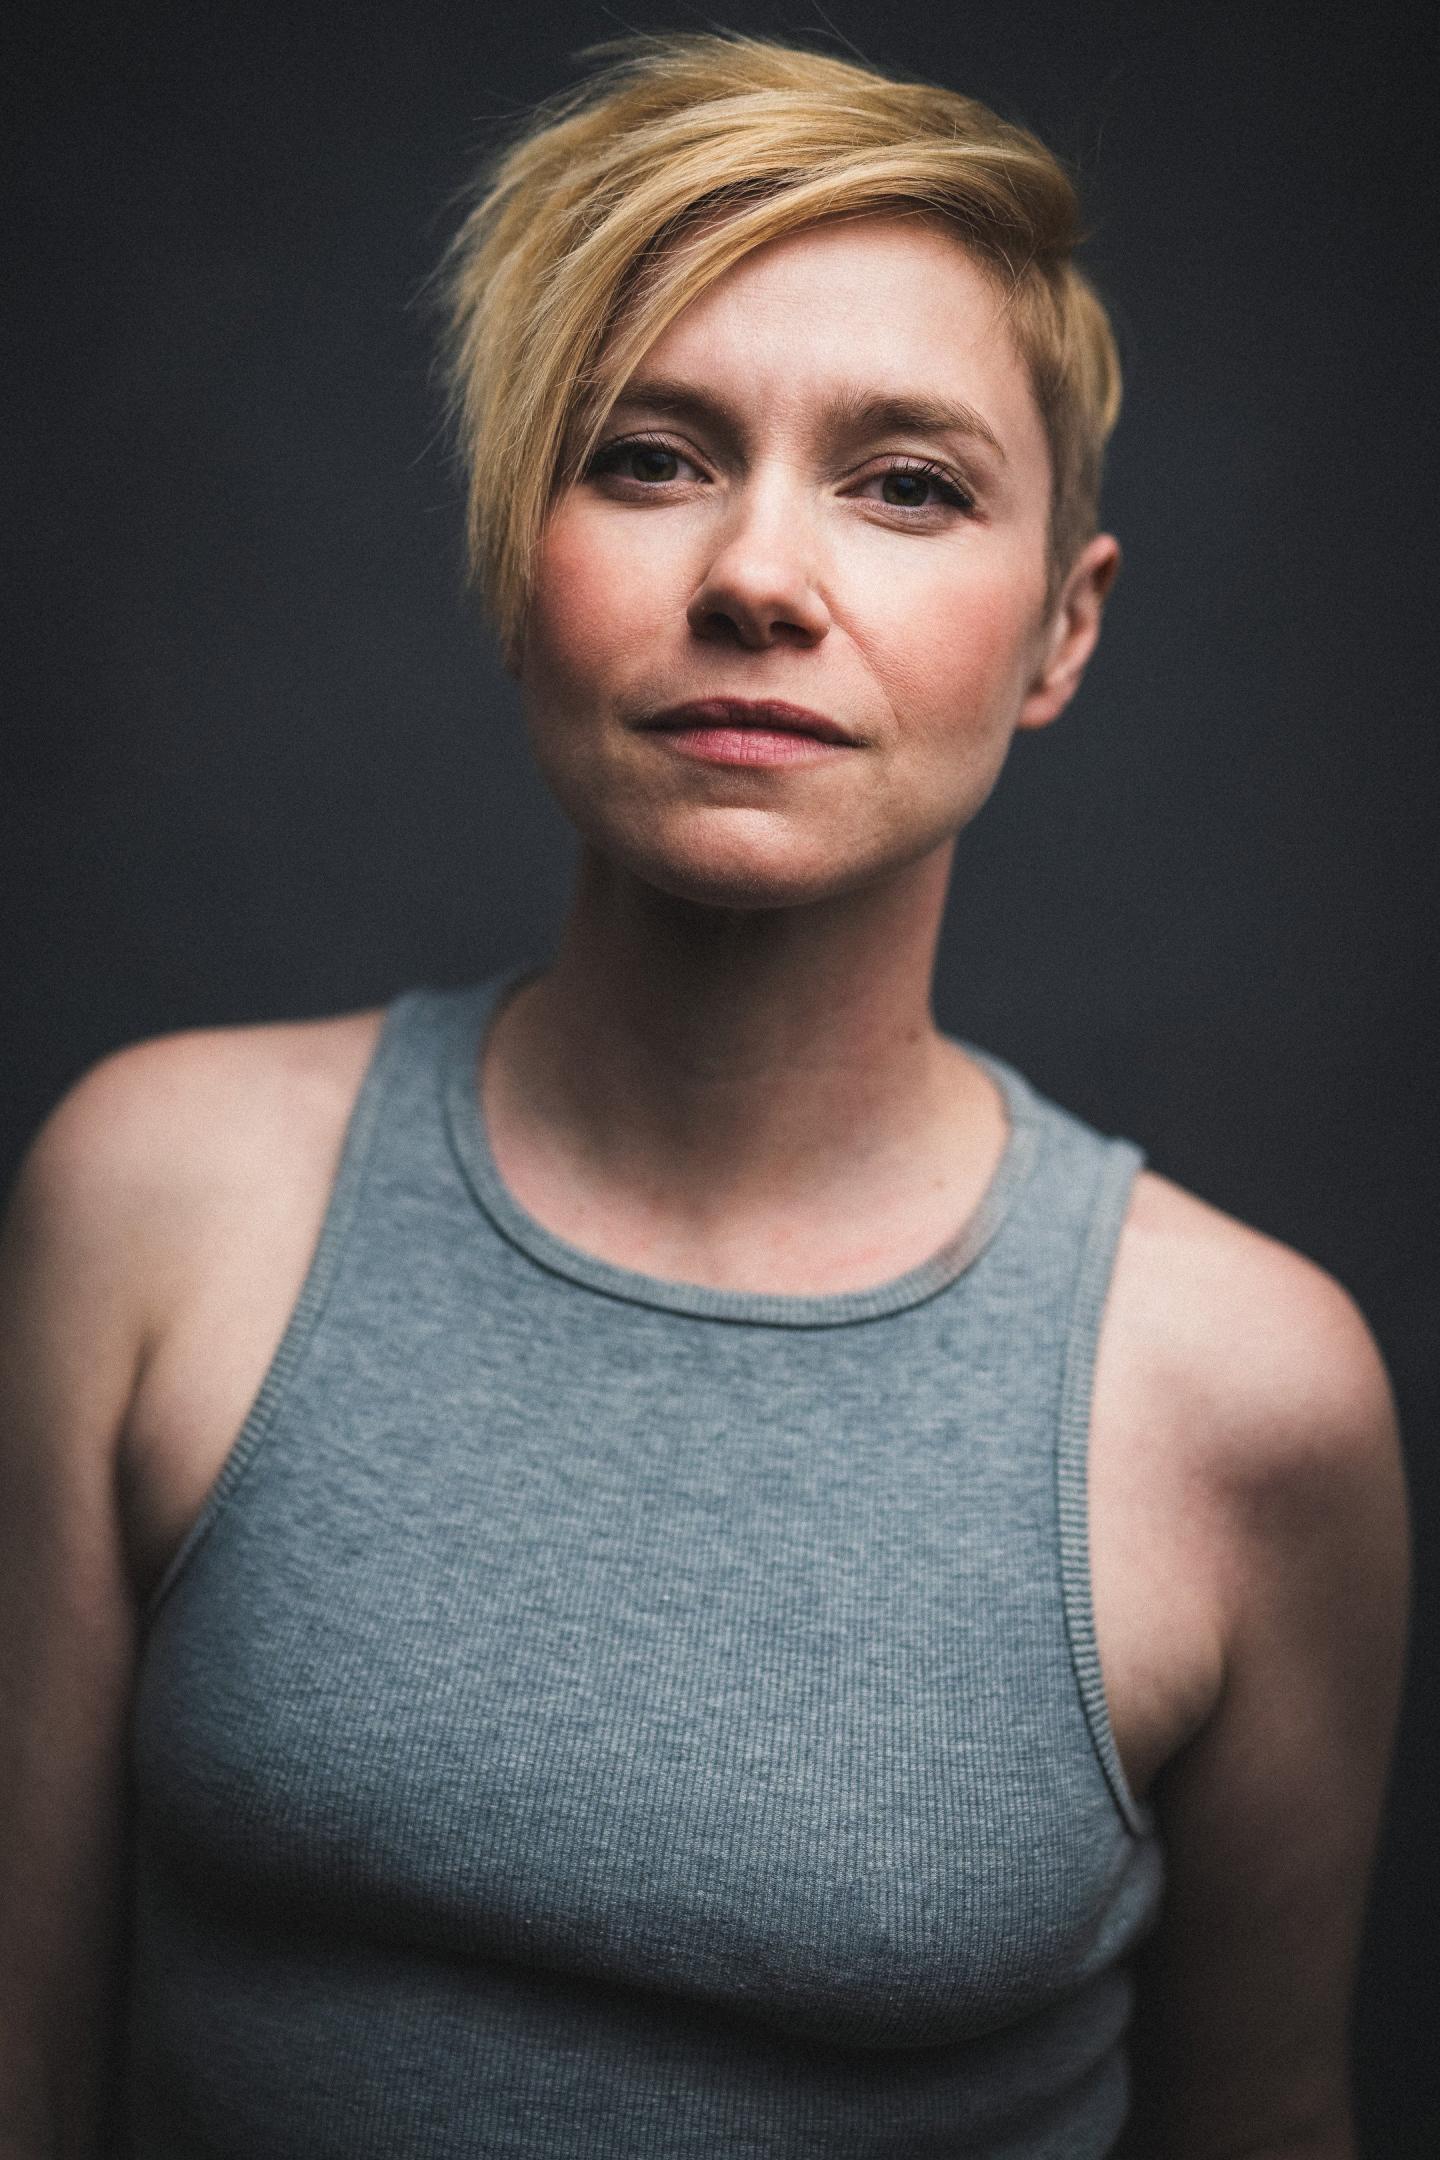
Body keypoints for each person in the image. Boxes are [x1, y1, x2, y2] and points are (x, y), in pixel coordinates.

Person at [0, 30, 1410, 2160]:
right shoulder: (158, 1201)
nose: (757, 575)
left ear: (1059, 633)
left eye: (909, 483)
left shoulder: (1250, 1403)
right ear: (512, 556)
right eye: (648, 457)